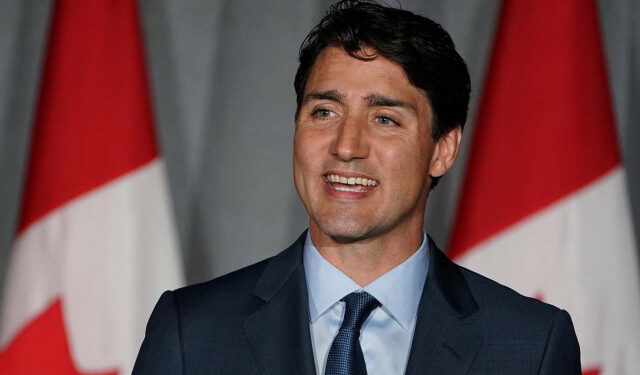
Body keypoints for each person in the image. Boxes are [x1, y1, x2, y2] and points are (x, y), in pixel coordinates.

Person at [133, 1, 581, 374]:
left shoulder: (529, 347)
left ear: (443, 149)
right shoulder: (191, 334)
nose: (346, 146)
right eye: (324, 112)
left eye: (385, 119)